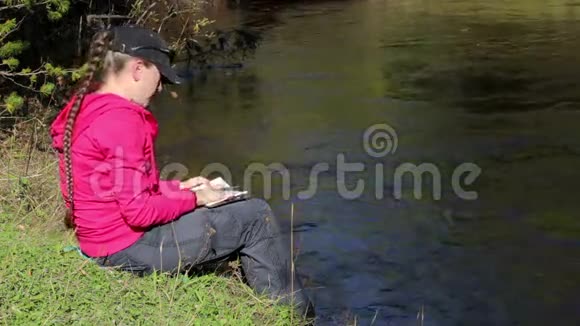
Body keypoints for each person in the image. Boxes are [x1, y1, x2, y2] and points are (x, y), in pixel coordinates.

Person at [49, 25, 314, 319]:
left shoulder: (88, 108)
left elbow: (117, 187)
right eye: (159, 76)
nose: (161, 87)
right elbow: (139, 213)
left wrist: (181, 188)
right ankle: (295, 317)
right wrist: (197, 199)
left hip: (100, 243)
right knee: (255, 216)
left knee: (232, 209)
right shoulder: (122, 121)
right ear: (138, 69)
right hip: (126, 250)